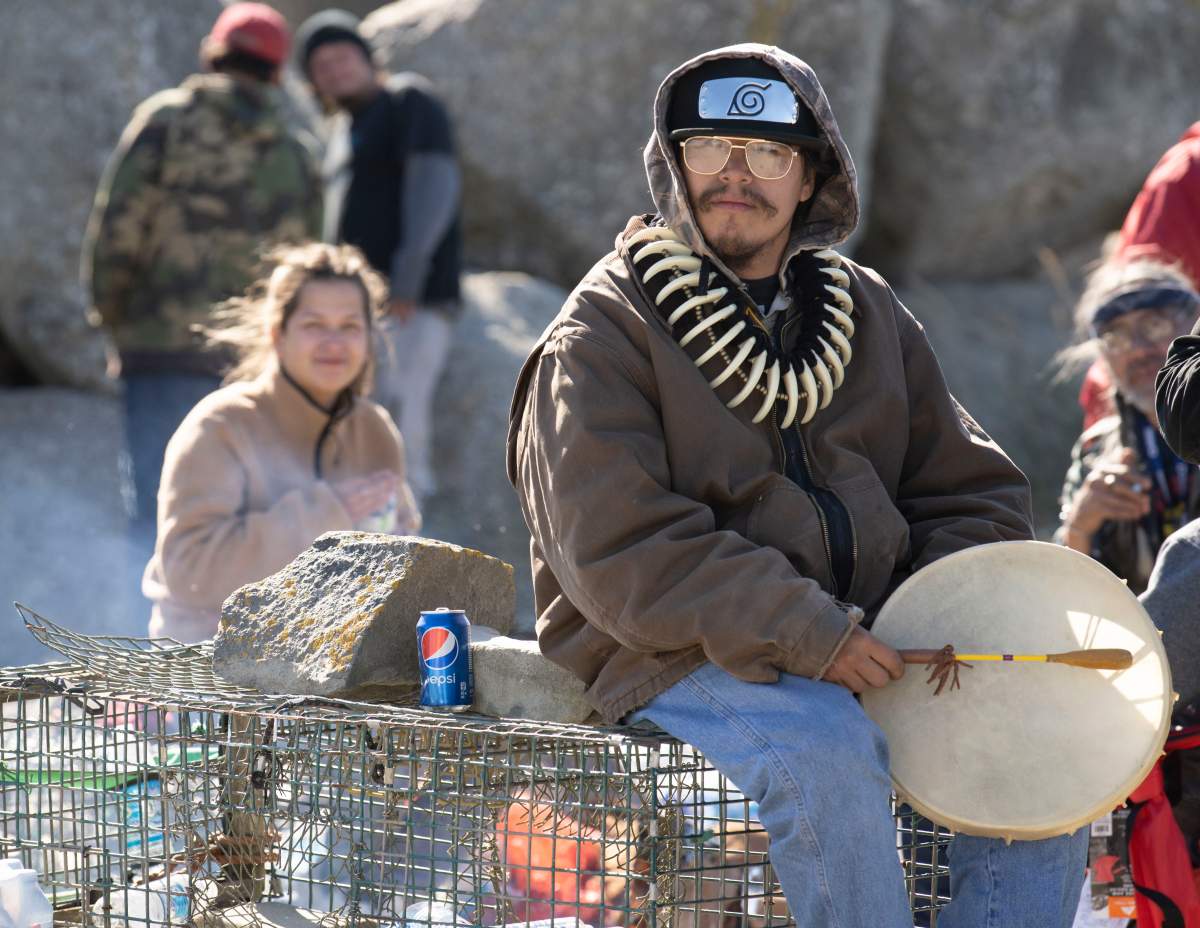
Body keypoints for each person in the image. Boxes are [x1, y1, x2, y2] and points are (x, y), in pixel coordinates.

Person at [507, 44, 1088, 927]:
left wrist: (945, 610)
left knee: (1039, 754)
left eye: (769, 154)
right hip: (674, 648)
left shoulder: (865, 309)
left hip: (869, 637)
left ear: (811, 178)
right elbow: (618, 552)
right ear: (673, 162)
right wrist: (808, 632)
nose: (735, 176)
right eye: (709, 148)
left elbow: (973, 491)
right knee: (823, 749)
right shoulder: (604, 328)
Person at [82, 2, 323, 556]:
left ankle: (146, 638)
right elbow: (306, 273)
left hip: (159, 349)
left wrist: (112, 316)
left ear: (214, 53)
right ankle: (234, 637)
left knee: (156, 507)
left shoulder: (166, 121)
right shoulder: (296, 153)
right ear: (277, 71)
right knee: (244, 509)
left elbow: (118, 228)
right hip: (249, 362)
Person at [143, 242, 420, 643]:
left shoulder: (374, 429)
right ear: (278, 334)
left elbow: (395, 563)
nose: (334, 342)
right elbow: (189, 571)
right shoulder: (223, 424)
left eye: (349, 327)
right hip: (207, 670)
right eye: (314, 325)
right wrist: (323, 517)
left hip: (331, 667)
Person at [295, 10, 463, 504]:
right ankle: (372, 532)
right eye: (320, 66)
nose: (334, 70)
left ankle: (411, 535)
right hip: (359, 307)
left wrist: (407, 280)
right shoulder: (344, 131)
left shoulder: (408, 101)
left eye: (343, 57)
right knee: (362, 419)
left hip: (410, 298)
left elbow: (434, 190)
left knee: (402, 412)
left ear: (369, 60)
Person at [1055, 260, 1200, 593]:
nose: (1137, 348)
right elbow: (1066, 597)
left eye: (1153, 324)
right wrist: (1081, 525)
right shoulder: (1096, 450)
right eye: (1115, 335)